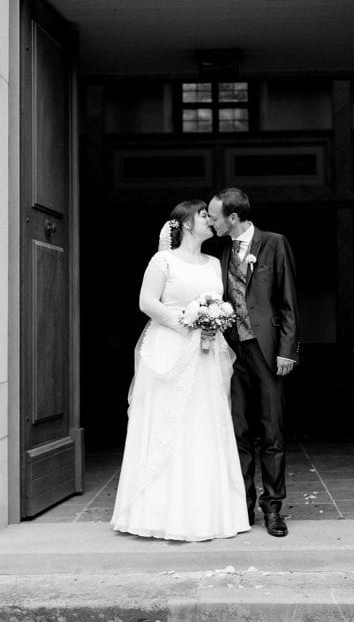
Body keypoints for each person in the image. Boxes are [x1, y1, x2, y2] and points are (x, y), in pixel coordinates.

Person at [111, 200, 249, 542]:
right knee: (168, 424)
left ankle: (207, 514)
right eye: (203, 215)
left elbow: (221, 302)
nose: (209, 220)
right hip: (170, 350)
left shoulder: (215, 263)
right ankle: (157, 513)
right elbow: (147, 302)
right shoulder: (163, 261)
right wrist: (186, 321)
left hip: (206, 354)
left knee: (204, 424)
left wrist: (212, 320)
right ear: (186, 224)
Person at [208, 188, 300, 538]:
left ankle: (273, 506)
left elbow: (288, 300)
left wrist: (288, 350)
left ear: (233, 217)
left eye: (215, 216)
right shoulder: (219, 250)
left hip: (266, 350)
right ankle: (242, 504)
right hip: (231, 353)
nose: (212, 221)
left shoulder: (274, 243)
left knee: (272, 431)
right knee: (238, 432)